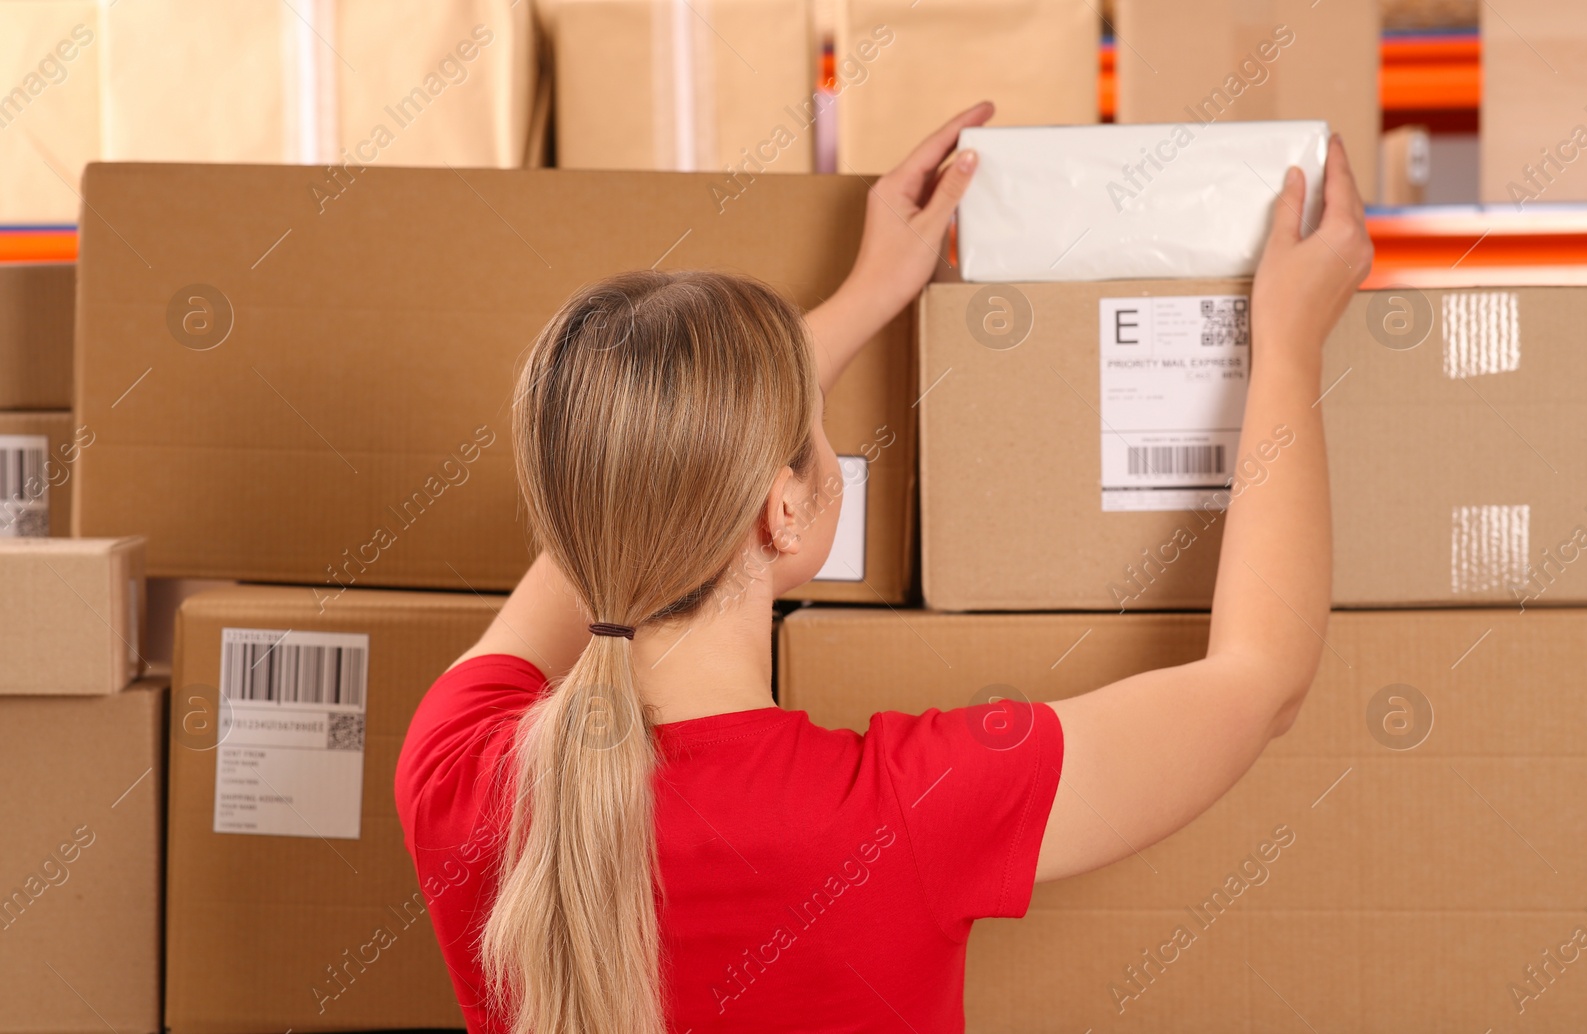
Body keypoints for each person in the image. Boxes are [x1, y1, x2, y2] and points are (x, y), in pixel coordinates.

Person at [396, 102, 1373, 1034]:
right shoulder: (898, 813)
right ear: (783, 509)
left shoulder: (452, 771)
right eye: (817, 434)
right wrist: (1286, 344)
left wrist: (867, 292)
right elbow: (1261, 681)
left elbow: (616, 499)